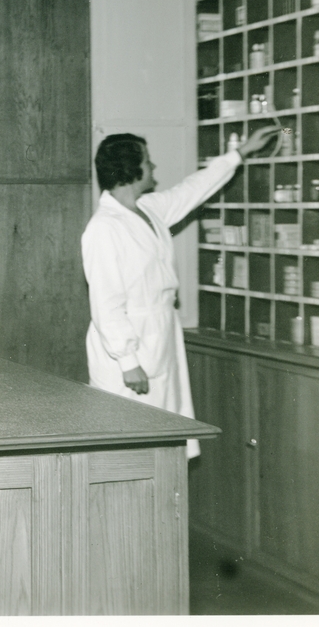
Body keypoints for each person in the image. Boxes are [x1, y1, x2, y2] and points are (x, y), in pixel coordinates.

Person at [81, 127, 276, 458]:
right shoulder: (103, 228)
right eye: (147, 160)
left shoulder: (149, 209)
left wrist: (241, 152)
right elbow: (106, 303)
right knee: (129, 444)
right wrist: (128, 361)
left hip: (161, 338)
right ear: (130, 169)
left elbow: (192, 189)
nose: (153, 166)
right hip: (127, 351)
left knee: (166, 441)